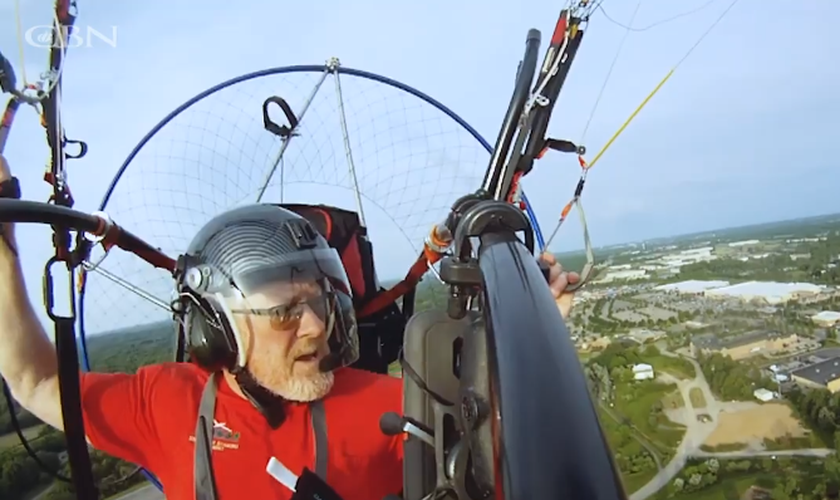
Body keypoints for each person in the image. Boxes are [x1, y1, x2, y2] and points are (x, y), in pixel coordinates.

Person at [0, 153, 580, 500]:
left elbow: (507, 445)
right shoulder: (167, 404)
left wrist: (537, 332)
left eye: (324, 302)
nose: (316, 328)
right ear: (217, 330)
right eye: (283, 311)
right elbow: (34, 381)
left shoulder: (388, 406)